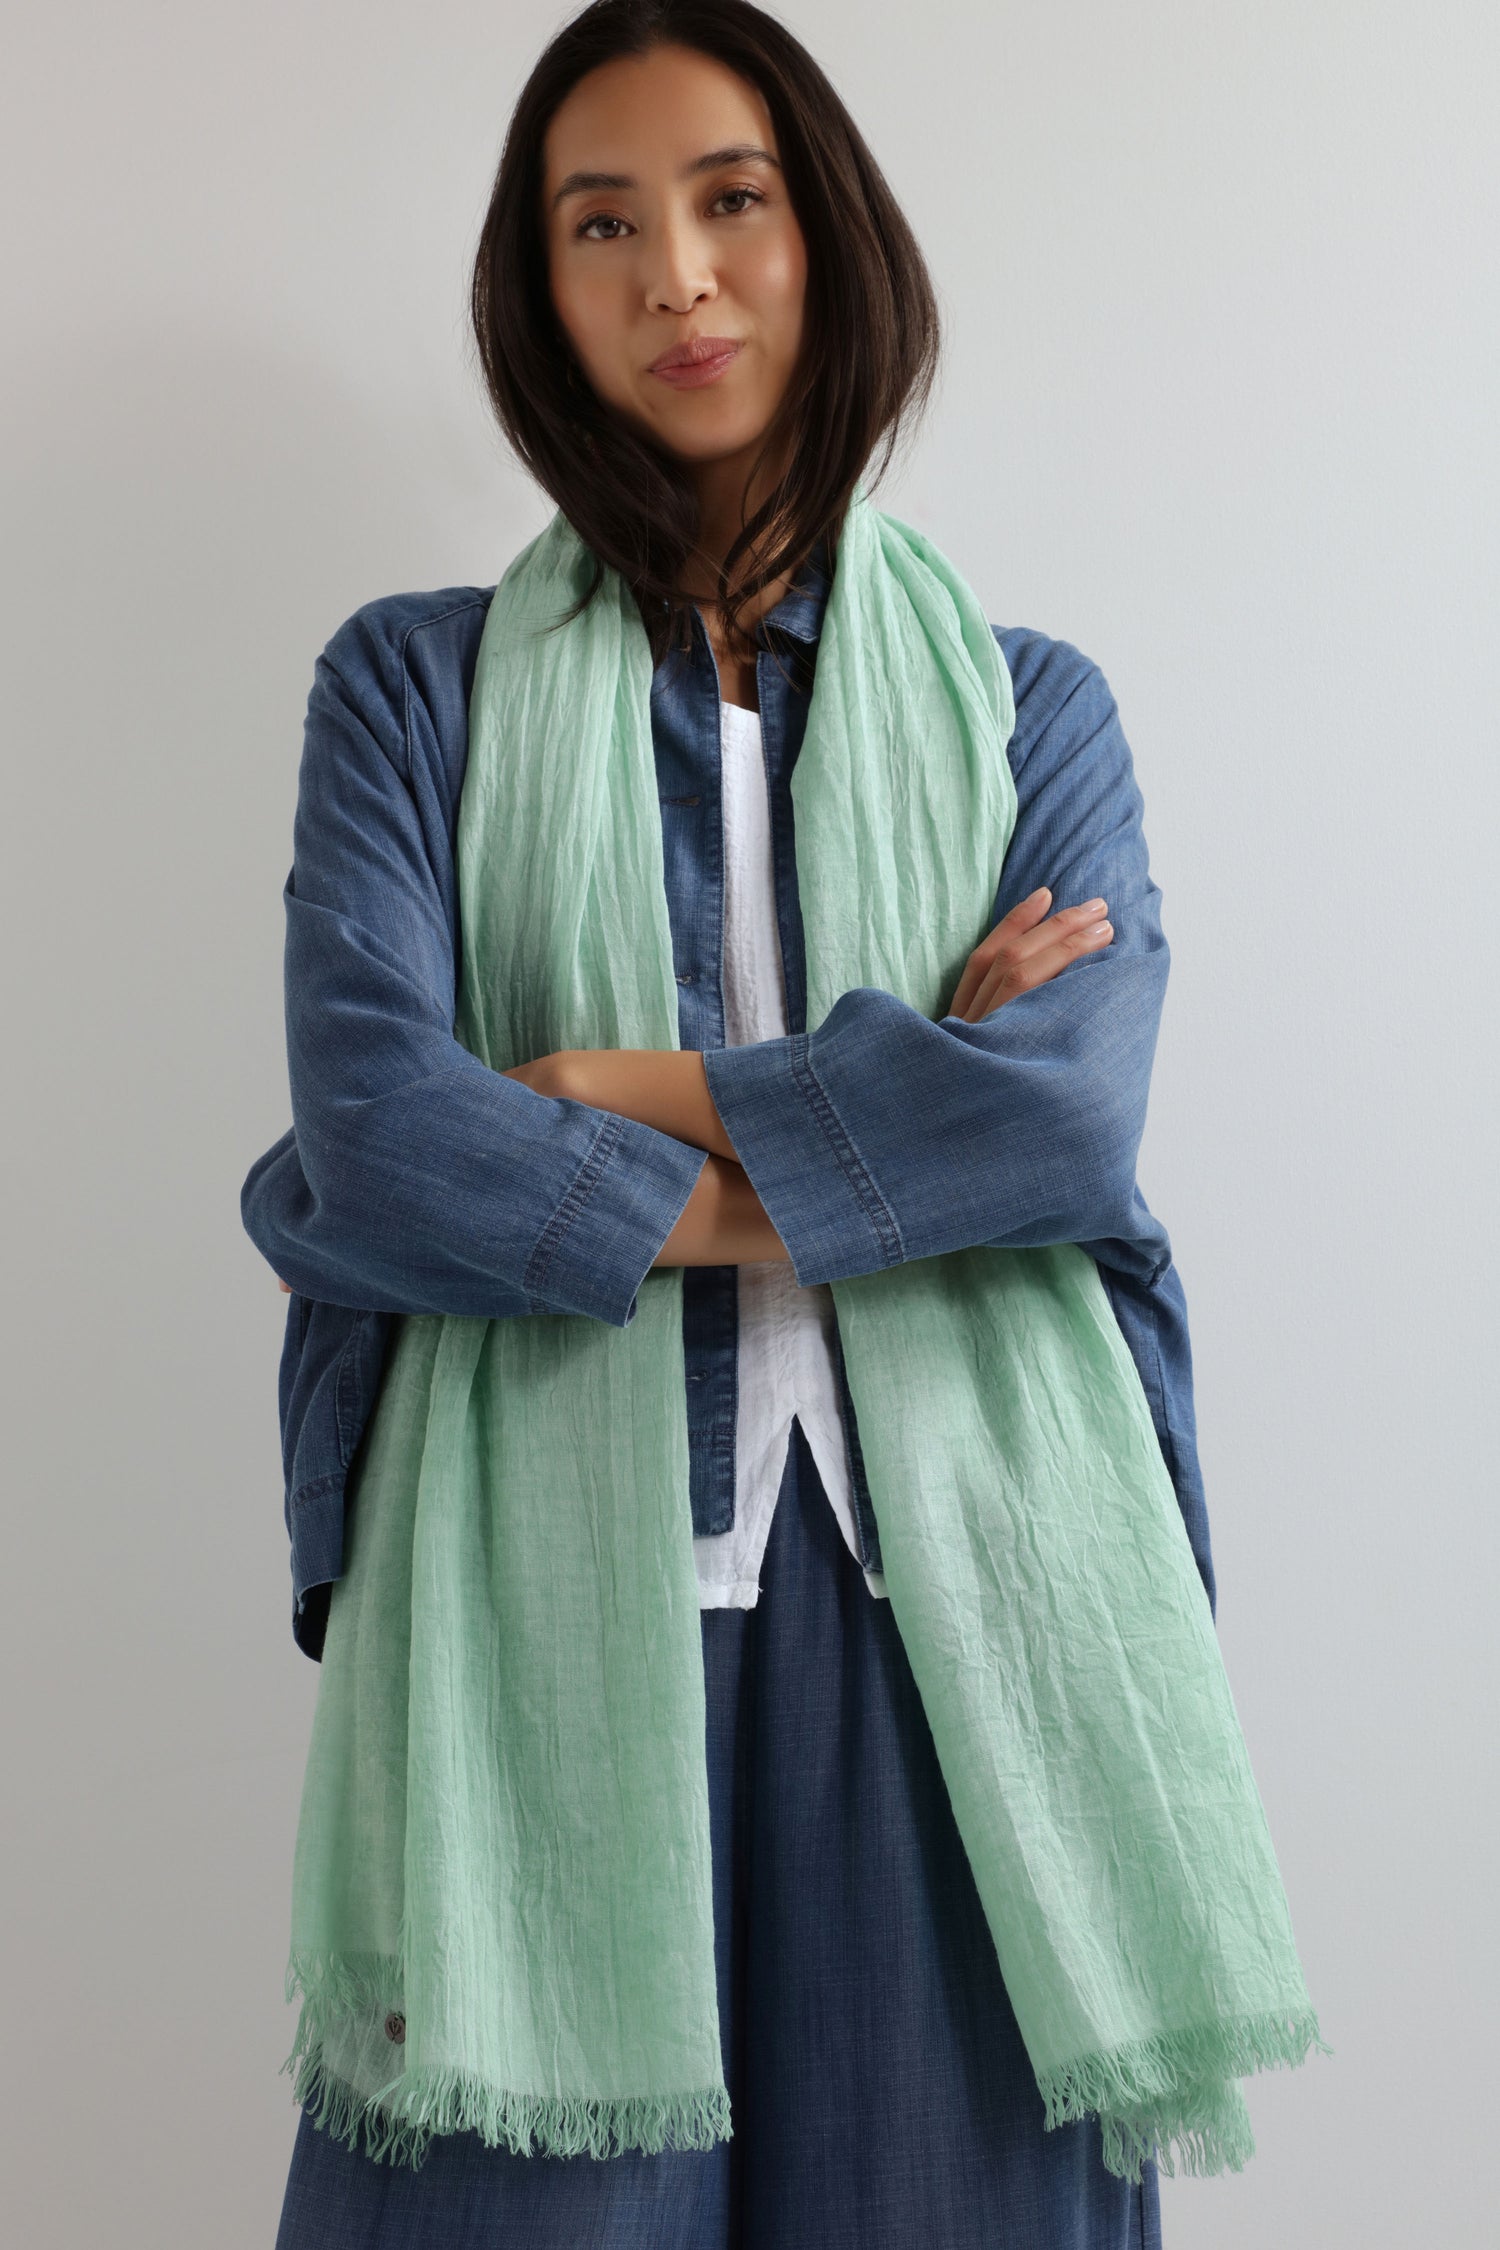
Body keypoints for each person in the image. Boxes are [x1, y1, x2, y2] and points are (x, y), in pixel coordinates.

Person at [246, 4, 1216, 2242]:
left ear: (826, 242)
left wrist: (601, 1102)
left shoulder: (1024, 708)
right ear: (542, 292)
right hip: (537, 1607)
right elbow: (382, 1138)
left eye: (729, 201)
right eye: (605, 223)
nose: (674, 272)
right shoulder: (414, 692)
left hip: (967, 1597)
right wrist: (890, 1143)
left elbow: (1063, 1125)